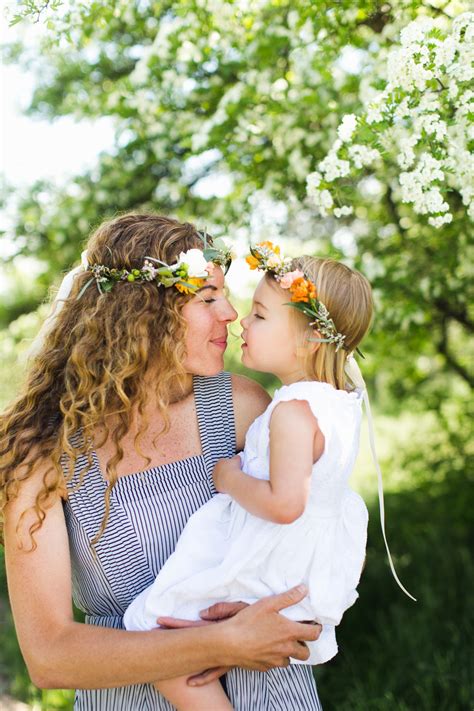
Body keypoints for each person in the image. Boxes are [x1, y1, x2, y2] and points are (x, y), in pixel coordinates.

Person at [0, 215, 323, 710]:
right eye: (208, 298)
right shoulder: (39, 452)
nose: (231, 316)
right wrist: (223, 643)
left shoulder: (244, 408)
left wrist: (288, 611)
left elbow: (317, 550)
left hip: (270, 693)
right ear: (142, 312)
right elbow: (49, 656)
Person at [123, 241, 415, 711]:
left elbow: (285, 504)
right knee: (186, 632)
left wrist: (229, 478)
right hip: (303, 563)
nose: (241, 320)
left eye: (259, 315)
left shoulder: (293, 413)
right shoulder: (338, 404)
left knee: (150, 625)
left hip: (268, 562)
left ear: (309, 339)